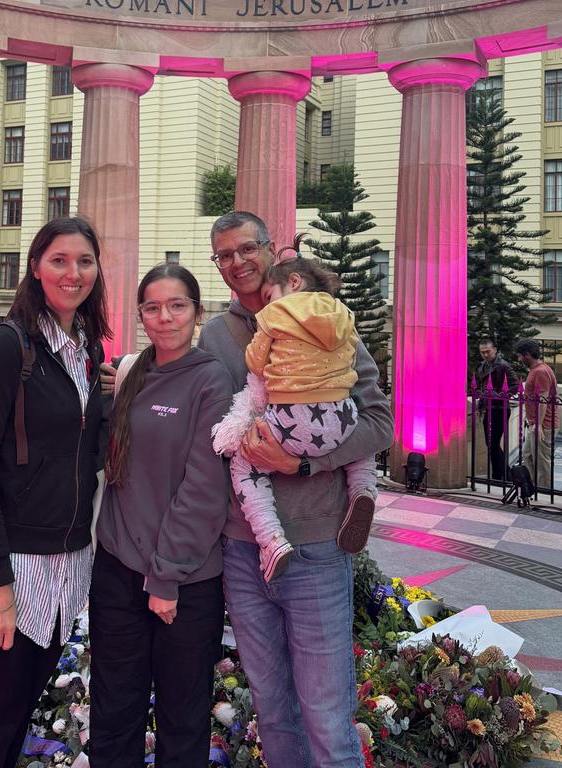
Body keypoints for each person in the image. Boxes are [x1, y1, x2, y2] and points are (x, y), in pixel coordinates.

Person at [199, 211, 393, 768]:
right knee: (273, 710)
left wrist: (304, 464)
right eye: (224, 255)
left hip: (317, 546)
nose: (237, 263)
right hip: (243, 548)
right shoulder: (217, 335)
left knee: (328, 715)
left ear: (270, 249)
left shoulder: (324, 317)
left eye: (245, 249)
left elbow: (379, 421)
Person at [0, 217, 111, 768]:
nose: (73, 272)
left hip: (63, 569)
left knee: (15, 717)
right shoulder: (7, 348)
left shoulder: (86, 353)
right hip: (8, 570)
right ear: (36, 268)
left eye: (84, 261)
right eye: (59, 260)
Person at [89, 264, 232, 768]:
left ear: (197, 312)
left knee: (183, 719)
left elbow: (204, 488)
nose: (165, 317)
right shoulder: (133, 373)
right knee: (113, 711)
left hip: (185, 583)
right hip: (118, 569)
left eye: (177, 306)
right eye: (152, 307)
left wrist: (166, 577)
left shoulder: (211, 380)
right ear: (141, 315)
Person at [213, 251, 378, 581]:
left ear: (293, 282)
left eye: (270, 295)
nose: (267, 303)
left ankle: (271, 540)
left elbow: (256, 364)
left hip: (291, 420)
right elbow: (351, 366)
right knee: (362, 446)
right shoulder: (343, 315)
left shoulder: (273, 316)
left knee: (245, 464)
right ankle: (363, 491)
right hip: (340, 414)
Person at [515, 338, 559, 489]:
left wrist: (539, 425)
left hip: (543, 426)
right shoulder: (539, 369)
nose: (519, 359)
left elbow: (543, 399)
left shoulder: (540, 371)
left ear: (527, 354)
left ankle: (545, 496)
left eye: (520, 355)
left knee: (542, 464)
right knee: (527, 456)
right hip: (536, 425)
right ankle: (533, 489)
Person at [475, 338, 519, 481]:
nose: (485, 355)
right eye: (482, 352)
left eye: (488, 351)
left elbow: (515, 386)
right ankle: (502, 475)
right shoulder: (483, 366)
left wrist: (497, 395)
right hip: (489, 409)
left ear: (495, 350)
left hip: (500, 409)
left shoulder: (503, 366)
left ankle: (501, 475)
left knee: (492, 444)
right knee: (491, 444)